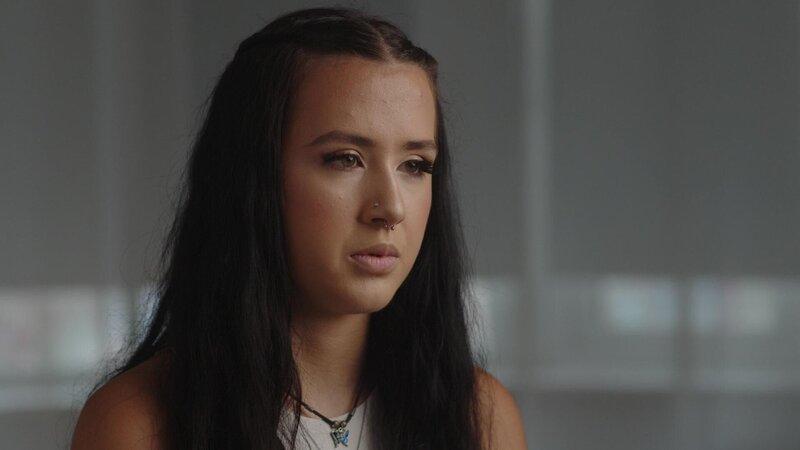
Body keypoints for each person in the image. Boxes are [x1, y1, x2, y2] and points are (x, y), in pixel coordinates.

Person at [71, 7, 526, 449]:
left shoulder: (480, 416)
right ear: (253, 176)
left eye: (415, 165)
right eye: (345, 159)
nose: (390, 208)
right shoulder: (139, 425)